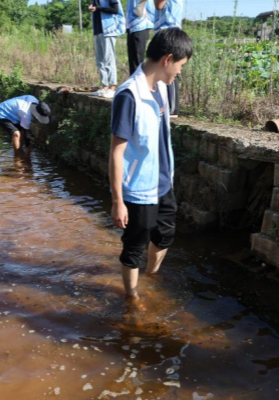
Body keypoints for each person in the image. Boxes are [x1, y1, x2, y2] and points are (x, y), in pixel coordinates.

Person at [109, 28, 193, 301]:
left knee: (166, 233)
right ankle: (132, 299)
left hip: (162, 181)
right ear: (168, 59)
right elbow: (116, 152)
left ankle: (151, 277)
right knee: (134, 245)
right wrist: (117, 201)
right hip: (138, 188)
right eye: (181, 65)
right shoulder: (128, 95)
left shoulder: (162, 88)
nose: (180, 72)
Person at [89, 0, 126, 99]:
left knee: (109, 59)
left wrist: (98, 8)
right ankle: (104, 87)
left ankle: (112, 88)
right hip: (97, 30)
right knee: (100, 60)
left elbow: (115, 10)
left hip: (108, 30)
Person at [153, 0, 184, 117]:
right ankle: (167, 106)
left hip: (168, 29)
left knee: (169, 68)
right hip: (167, 29)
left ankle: (172, 108)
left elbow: (158, 5)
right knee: (165, 69)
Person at [126, 0, 155, 76]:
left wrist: (141, 11)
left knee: (137, 63)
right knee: (132, 63)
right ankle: (133, 85)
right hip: (131, 26)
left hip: (141, 25)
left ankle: (140, 86)